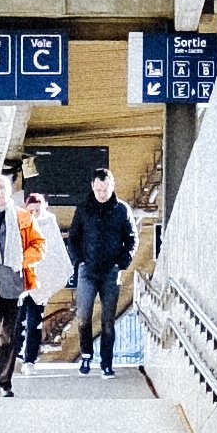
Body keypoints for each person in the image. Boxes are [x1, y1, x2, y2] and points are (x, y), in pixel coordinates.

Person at [0, 160, 55, 399]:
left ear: (9, 191)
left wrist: (22, 260)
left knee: (10, 335)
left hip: (13, 280)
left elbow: (40, 245)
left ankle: (4, 382)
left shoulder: (24, 218)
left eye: (2, 188)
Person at [69, 159, 136, 375]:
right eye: (98, 189)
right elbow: (74, 238)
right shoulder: (83, 208)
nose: (101, 193)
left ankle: (107, 363)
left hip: (110, 272)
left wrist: (122, 263)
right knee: (83, 315)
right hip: (87, 271)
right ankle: (86, 356)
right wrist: (78, 261)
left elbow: (132, 239)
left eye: (105, 189)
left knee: (108, 320)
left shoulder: (122, 210)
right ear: (92, 187)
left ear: (112, 187)